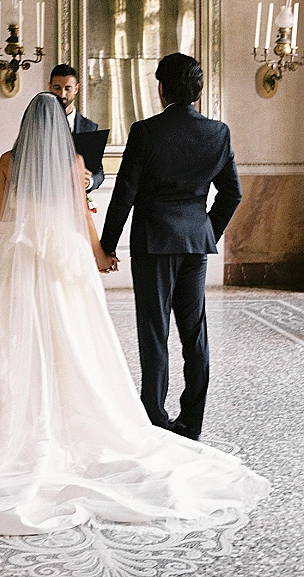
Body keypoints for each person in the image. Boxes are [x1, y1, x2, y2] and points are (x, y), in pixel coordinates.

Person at [0, 92, 268, 535]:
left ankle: (3, 424)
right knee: (76, 340)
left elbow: (2, 213)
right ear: (60, 127)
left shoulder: (6, 160)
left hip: (19, 257)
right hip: (65, 258)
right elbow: (82, 217)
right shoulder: (75, 163)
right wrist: (100, 253)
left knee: (6, 338)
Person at [99, 53, 242, 442]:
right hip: (195, 245)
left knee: (154, 331)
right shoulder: (218, 132)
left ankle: (156, 420)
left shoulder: (145, 131)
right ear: (195, 90)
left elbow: (124, 195)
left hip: (153, 243)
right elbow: (232, 194)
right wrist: (205, 230)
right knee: (194, 334)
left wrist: (106, 246)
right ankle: (191, 422)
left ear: (161, 88)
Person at [48, 63, 105, 191]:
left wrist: (89, 181)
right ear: (50, 87)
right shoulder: (39, 124)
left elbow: (99, 172)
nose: (62, 94)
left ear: (76, 89)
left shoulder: (90, 127)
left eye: (68, 88)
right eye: (57, 87)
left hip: (77, 201)